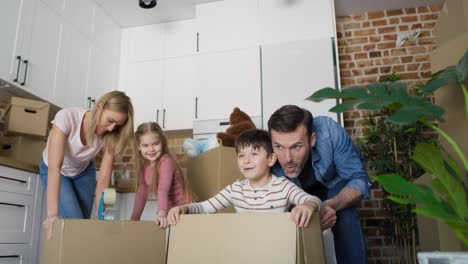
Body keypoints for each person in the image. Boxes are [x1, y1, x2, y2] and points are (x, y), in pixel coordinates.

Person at [268, 105, 370, 264]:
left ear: (312, 139)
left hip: (334, 187)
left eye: (296, 146)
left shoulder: (329, 131)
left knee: (345, 215)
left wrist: (331, 205)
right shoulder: (266, 153)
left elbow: (359, 179)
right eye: (279, 147)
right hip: (296, 197)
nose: (287, 158)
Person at [168, 129, 321, 227]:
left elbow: (314, 200)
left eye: (254, 154)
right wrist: (184, 208)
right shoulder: (236, 189)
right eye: (241, 155)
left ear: (270, 159)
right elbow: (204, 207)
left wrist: (307, 206)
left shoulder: (282, 186)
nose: (246, 160)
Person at [40, 90, 134, 239]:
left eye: (117, 126)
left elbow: (104, 179)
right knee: (74, 221)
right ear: (99, 106)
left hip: (84, 171)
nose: (111, 128)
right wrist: (52, 214)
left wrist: (102, 214)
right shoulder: (66, 117)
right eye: (110, 121)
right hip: (57, 170)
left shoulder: (110, 135)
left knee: (83, 225)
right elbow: (54, 167)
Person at [130, 122, 195, 228]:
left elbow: (163, 189)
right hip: (172, 214)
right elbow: (141, 193)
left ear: (162, 142)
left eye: (155, 144)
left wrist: (161, 214)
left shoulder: (166, 161)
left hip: (186, 212)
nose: (151, 149)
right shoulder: (144, 166)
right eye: (145, 145)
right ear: (138, 146)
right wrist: (134, 219)